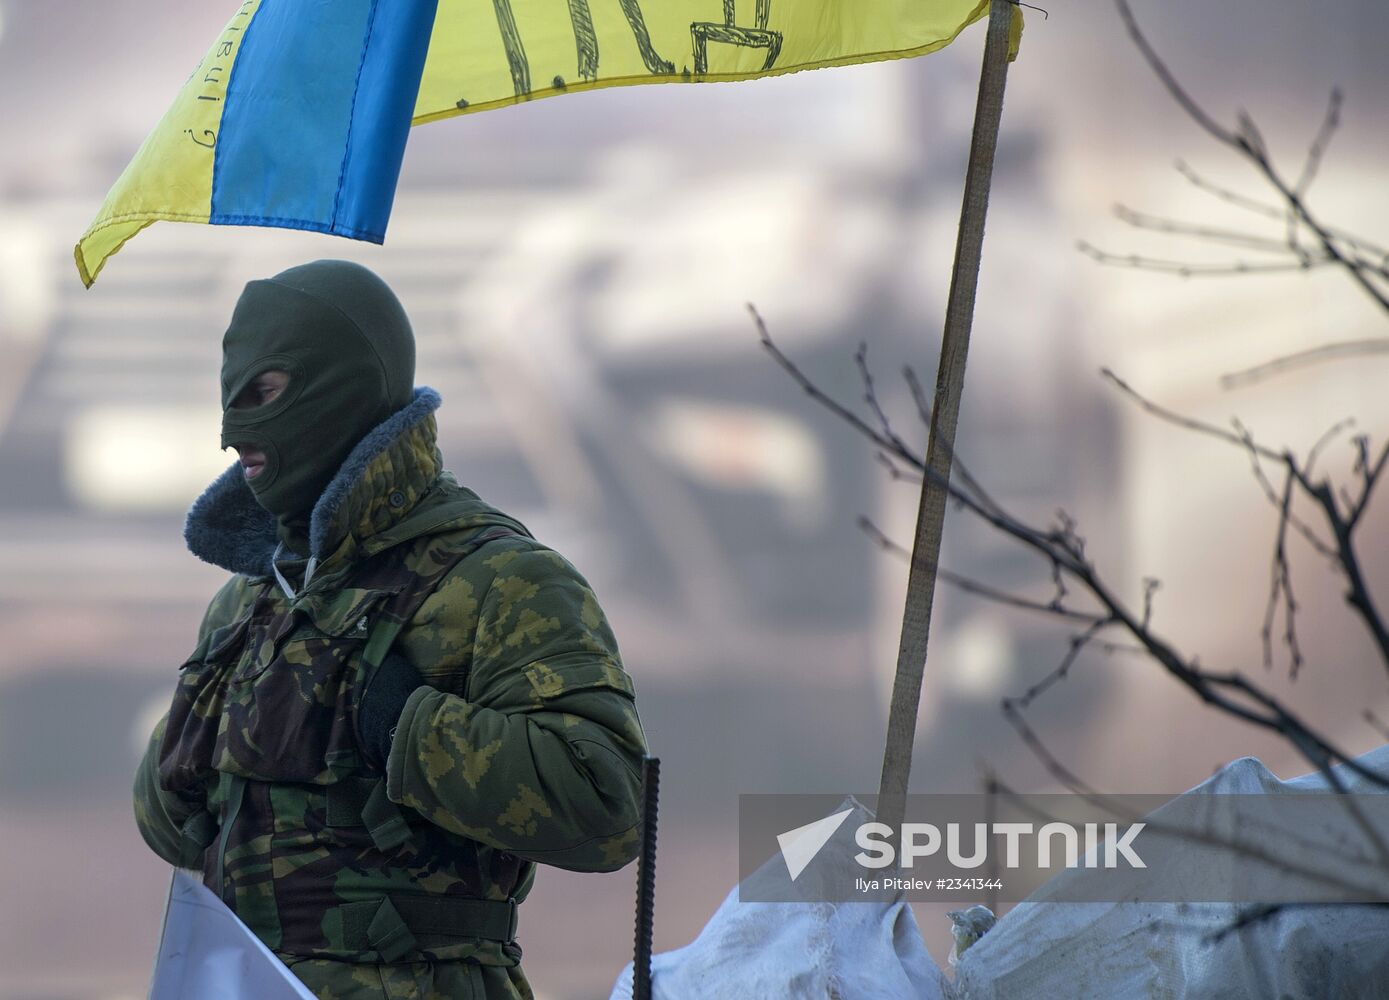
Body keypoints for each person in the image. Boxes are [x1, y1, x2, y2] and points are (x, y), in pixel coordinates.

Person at [132, 259, 649, 999]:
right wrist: (175, 760)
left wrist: (401, 723)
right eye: (230, 397)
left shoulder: (500, 579)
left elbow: (607, 807)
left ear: (340, 393)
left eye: (264, 393)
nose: (232, 430)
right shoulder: (245, 605)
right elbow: (175, 836)